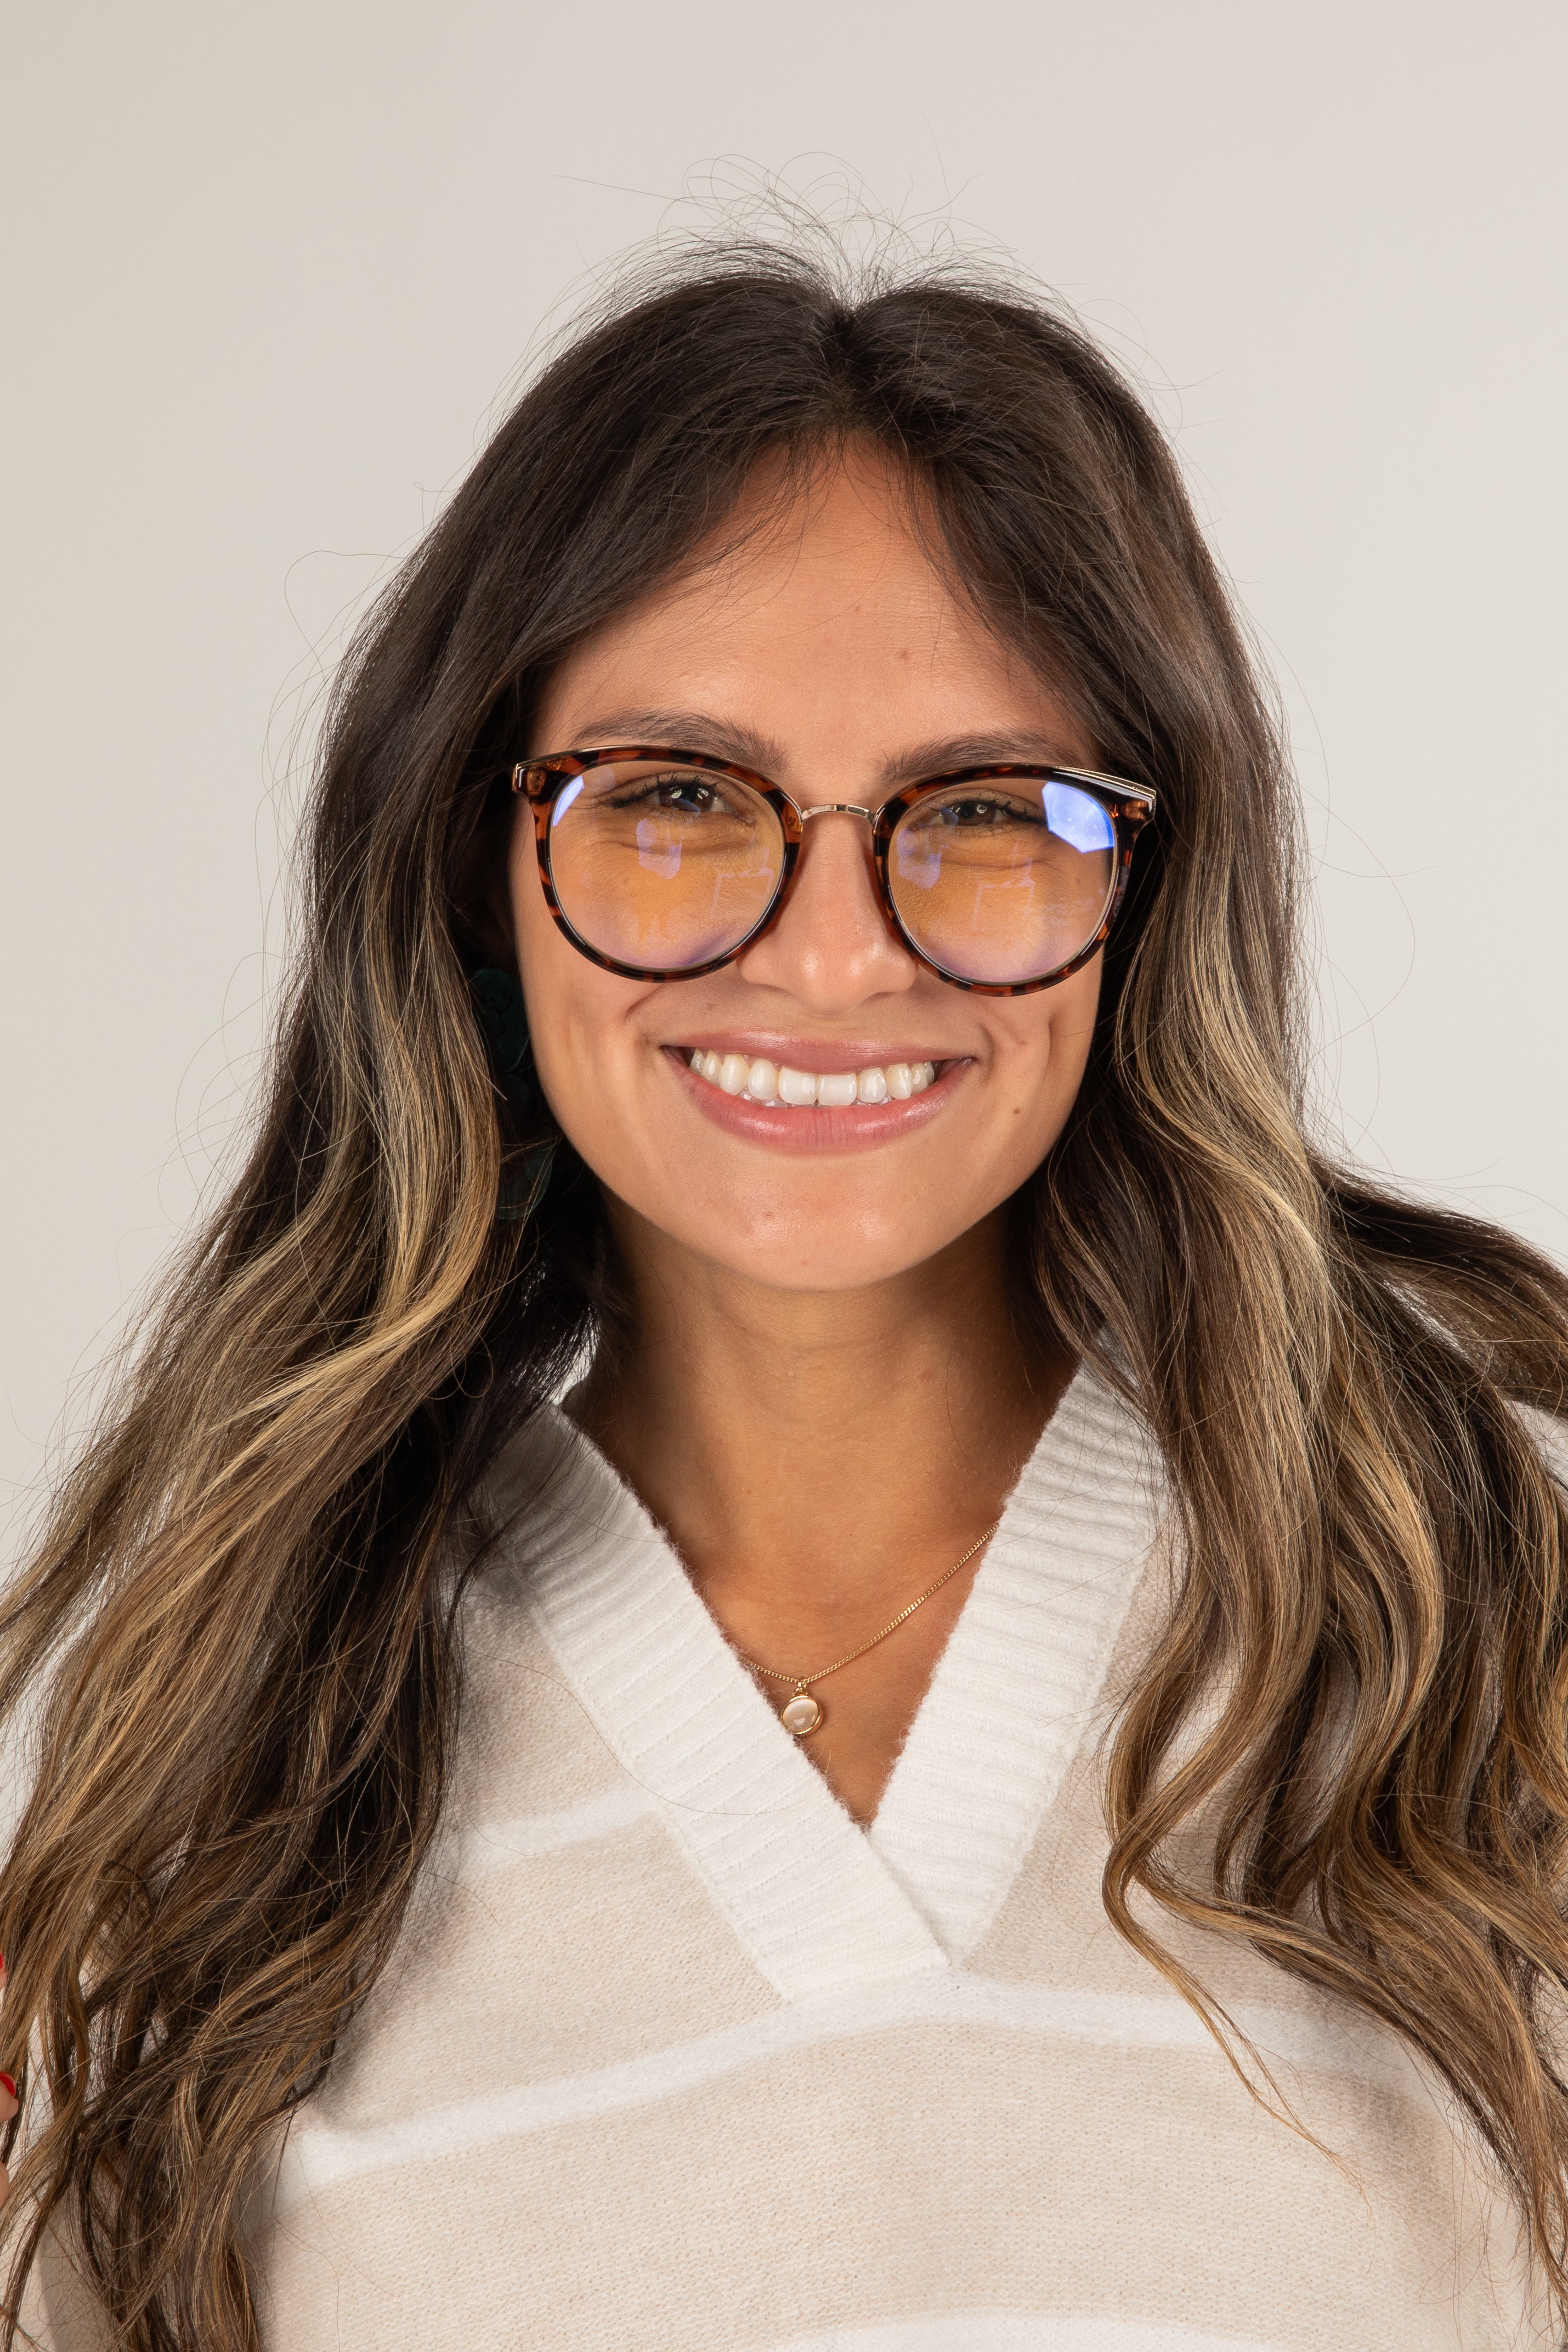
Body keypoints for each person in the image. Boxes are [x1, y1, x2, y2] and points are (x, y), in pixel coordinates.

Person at [3, 239, 1567, 2352]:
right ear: (479, 856)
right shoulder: (230, 1792)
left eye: (987, 812)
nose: (835, 958)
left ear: (1143, 886)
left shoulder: (1492, 1628)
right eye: (671, 799)